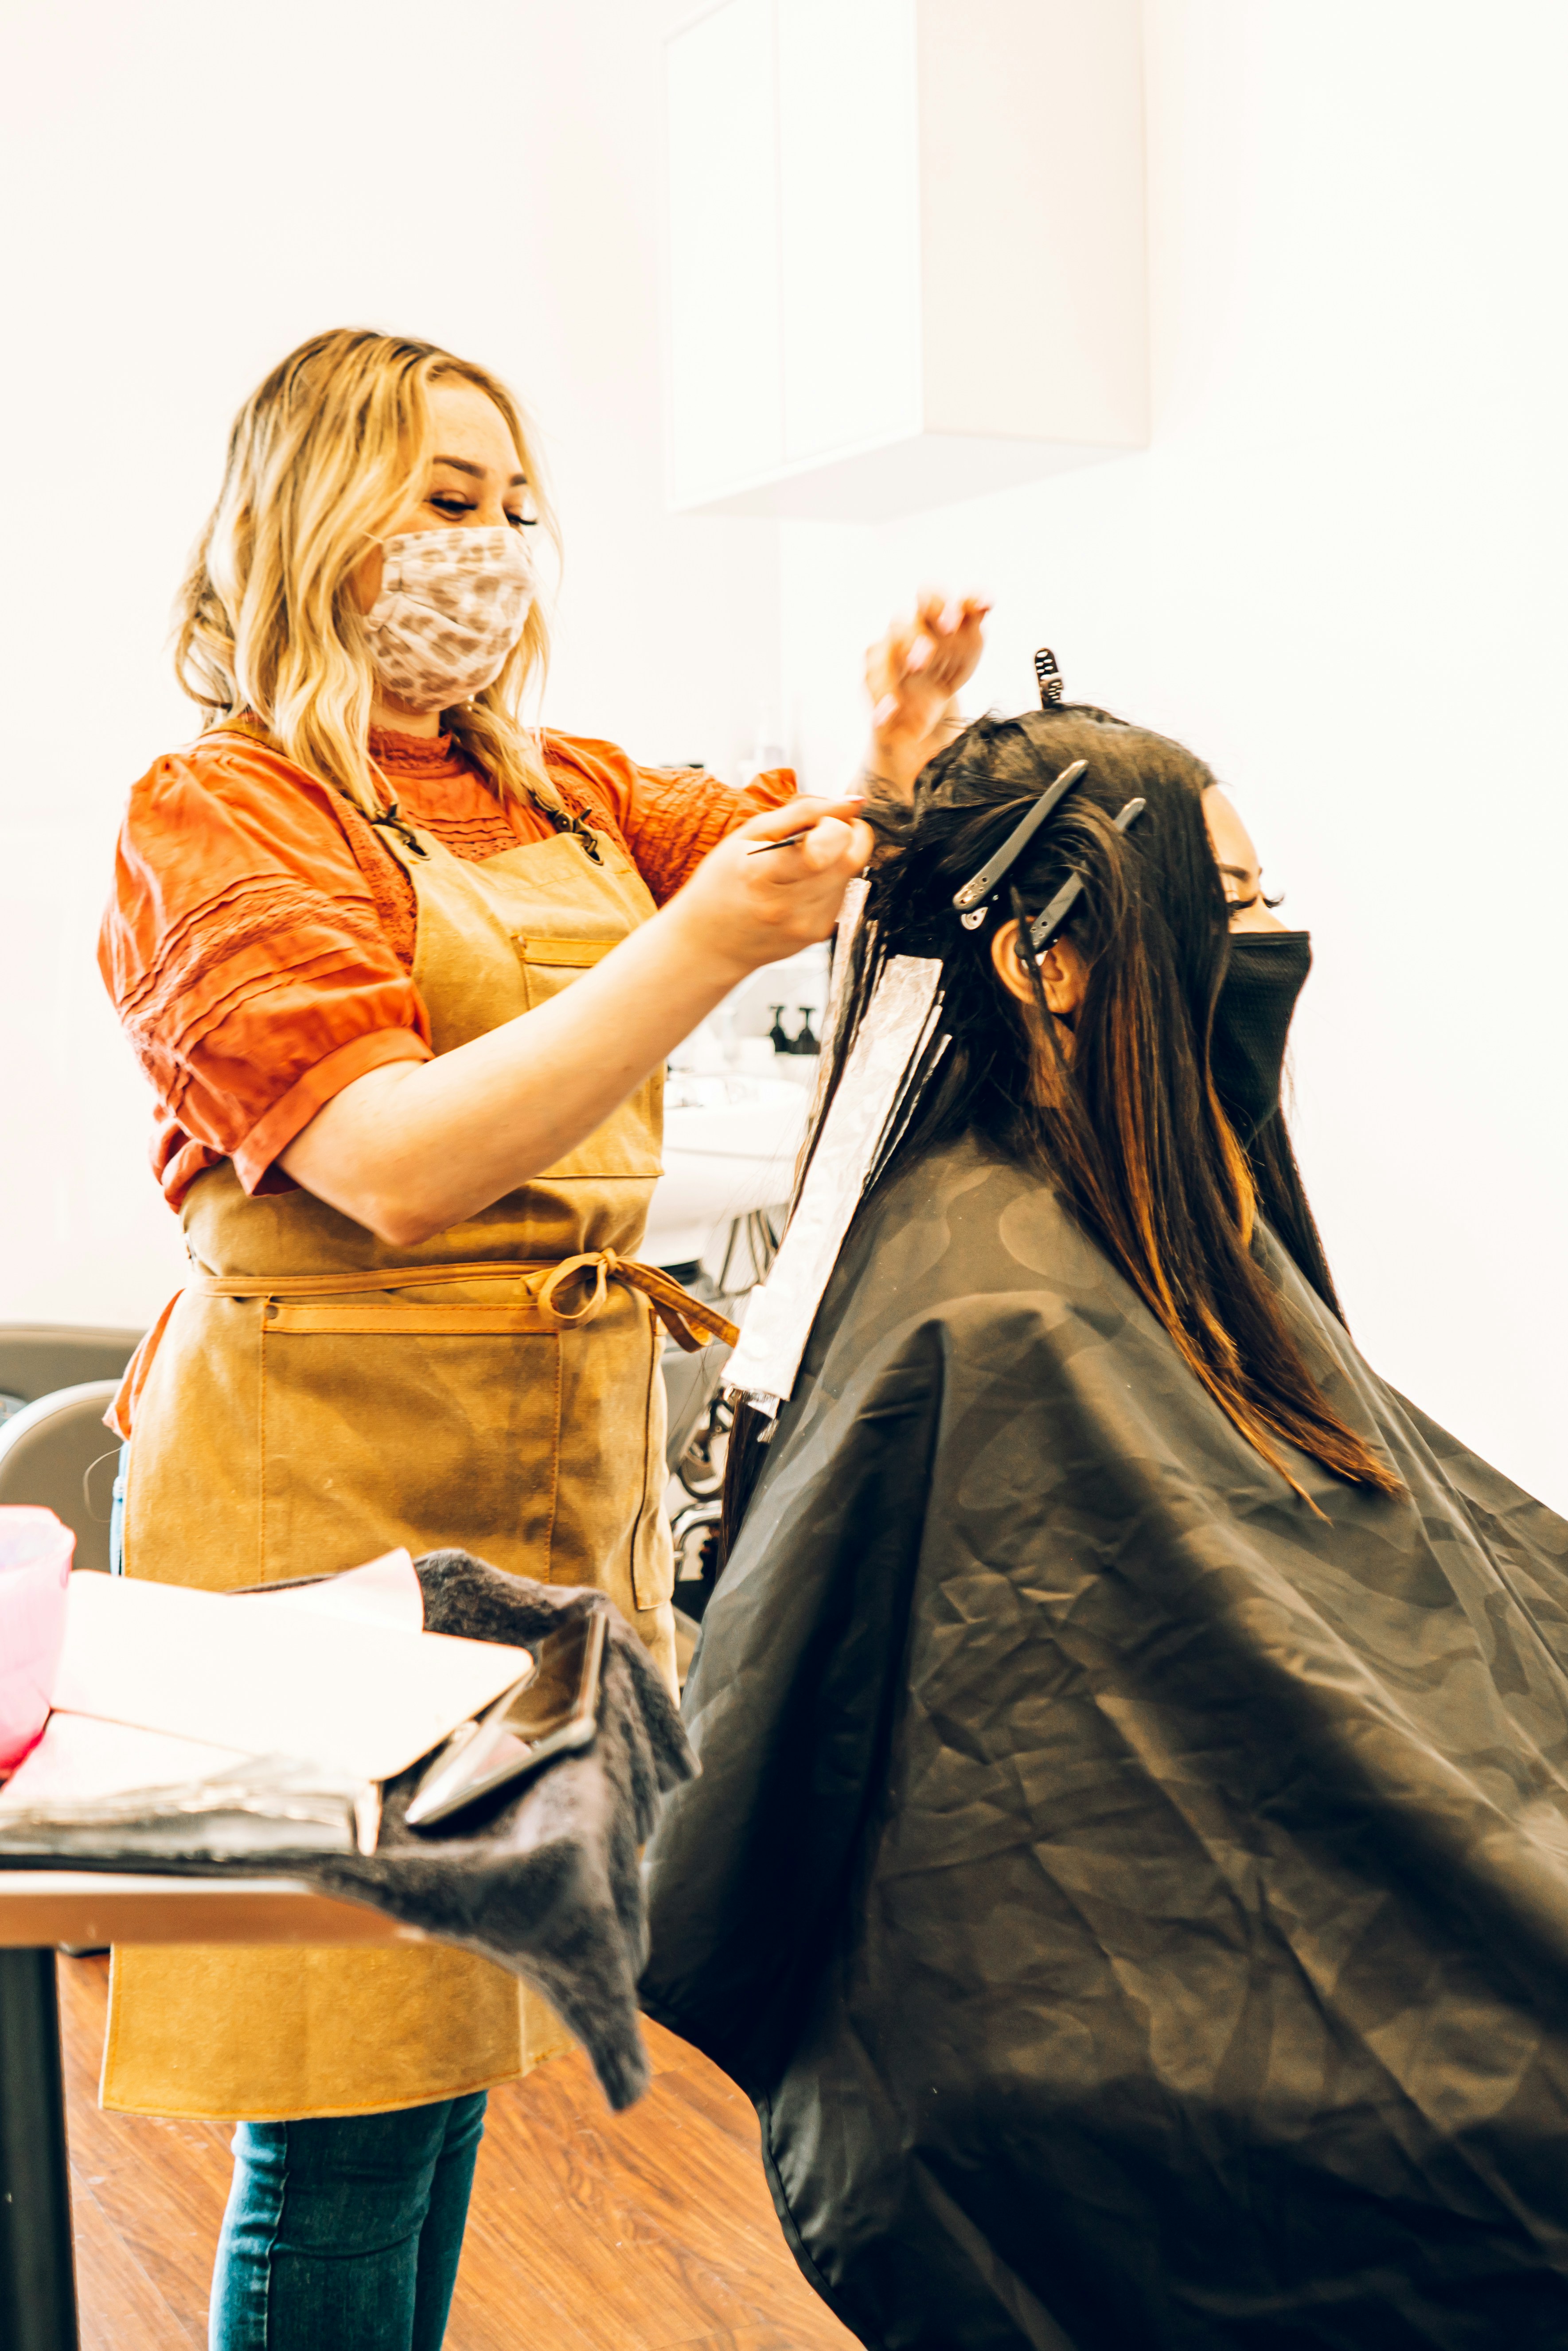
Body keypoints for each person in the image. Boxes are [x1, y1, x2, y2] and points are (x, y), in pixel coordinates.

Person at [96, 322, 985, 2350]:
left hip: (541, 1473)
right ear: (309, 518)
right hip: (323, 1510)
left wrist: (887, 761)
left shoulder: (554, 786)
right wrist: (695, 945)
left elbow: (793, 871)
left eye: (514, 506)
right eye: (443, 500)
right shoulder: (215, 817)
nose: (493, 547)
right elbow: (393, 1165)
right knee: (340, 2100)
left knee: (445, 2069)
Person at [641, 690, 1568, 2349]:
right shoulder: (990, 1311)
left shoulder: (1141, 1218)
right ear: (1048, 960)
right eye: (1233, 902)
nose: (1272, 940)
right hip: (1115, 2030)